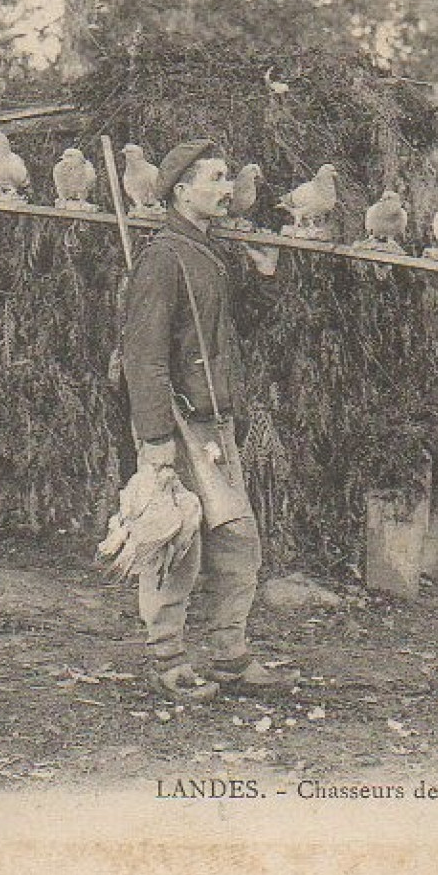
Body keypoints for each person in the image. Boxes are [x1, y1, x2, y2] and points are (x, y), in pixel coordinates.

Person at [120, 137, 295, 700]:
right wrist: (155, 438)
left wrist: (265, 279)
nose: (228, 190)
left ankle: (229, 656)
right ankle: (167, 659)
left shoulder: (207, 252)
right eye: (216, 179)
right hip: (178, 422)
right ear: (181, 189)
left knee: (239, 540)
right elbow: (143, 355)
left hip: (215, 423)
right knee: (177, 544)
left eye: (226, 178)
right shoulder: (163, 257)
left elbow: (227, 337)